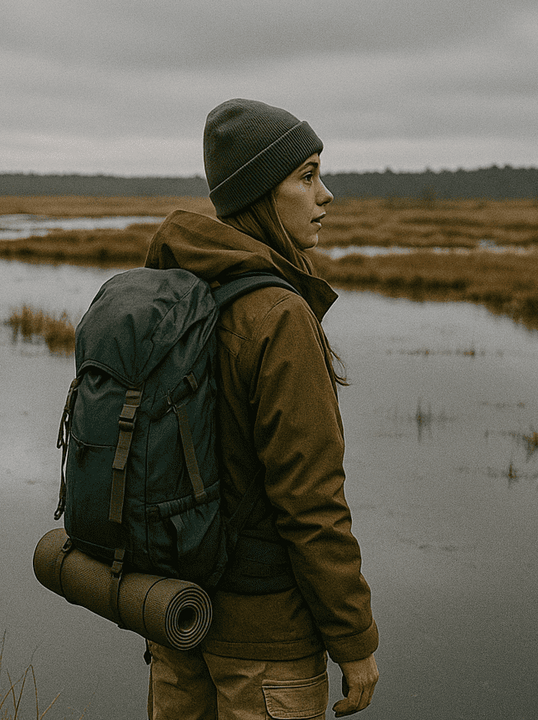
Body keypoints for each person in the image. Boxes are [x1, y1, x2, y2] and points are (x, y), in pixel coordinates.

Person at [143, 99, 379, 719]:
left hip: (177, 619)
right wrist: (354, 640)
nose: (325, 195)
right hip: (267, 647)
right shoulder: (279, 315)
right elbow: (310, 503)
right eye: (306, 176)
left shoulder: (179, 293)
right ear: (258, 193)